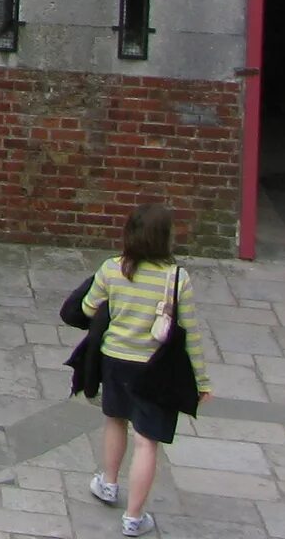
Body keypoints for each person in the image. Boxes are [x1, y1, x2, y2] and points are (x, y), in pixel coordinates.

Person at [77, 205, 208, 537]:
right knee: (147, 442)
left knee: (115, 420)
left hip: (115, 361)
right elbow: (189, 334)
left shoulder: (112, 269)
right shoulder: (177, 279)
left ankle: (108, 483)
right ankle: (134, 519)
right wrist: (201, 381)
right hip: (155, 370)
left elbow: (88, 307)